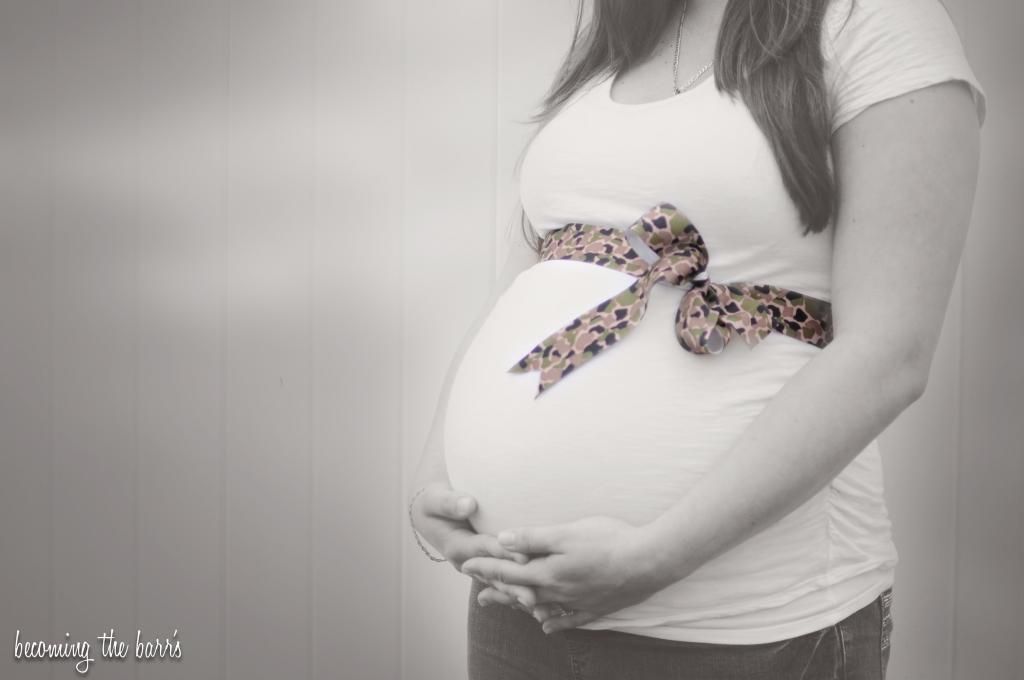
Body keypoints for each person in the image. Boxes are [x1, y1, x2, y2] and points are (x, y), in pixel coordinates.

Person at [408, 0, 986, 677]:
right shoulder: (626, 30)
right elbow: (531, 285)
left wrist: (655, 558)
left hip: (742, 628)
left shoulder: (877, 22)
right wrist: (435, 479)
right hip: (515, 606)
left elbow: (888, 354)